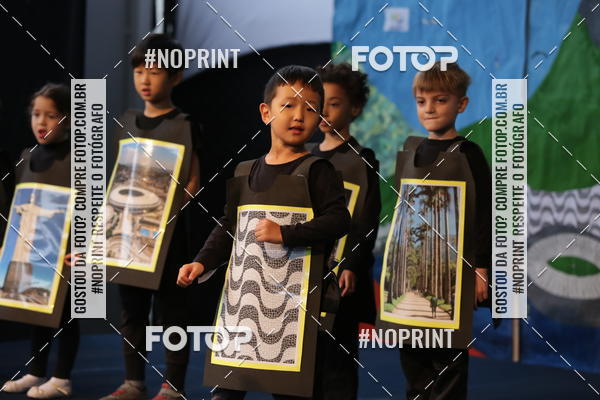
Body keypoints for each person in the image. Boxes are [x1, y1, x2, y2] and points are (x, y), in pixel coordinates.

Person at [177, 65, 351, 399]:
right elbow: (229, 225)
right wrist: (202, 262)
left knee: (291, 393)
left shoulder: (318, 170)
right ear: (266, 112)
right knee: (226, 391)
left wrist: (286, 233)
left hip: (293, 313)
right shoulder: (246, 171)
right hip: (243, 308)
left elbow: (339, 221)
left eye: (310, 108)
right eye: (288, 105)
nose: (298, 115)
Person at [100, 34, 201, 400]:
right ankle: (133, 381)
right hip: (128, 237)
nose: (145, 79)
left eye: (155, 72)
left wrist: (167, 211)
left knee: (173, 312)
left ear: (175, 77)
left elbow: (194, 181)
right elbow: (118, 179)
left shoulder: (186, 124)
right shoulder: (126, 122)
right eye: (139, 71)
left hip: (169, 238)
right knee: (132, 311)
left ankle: (172, 385)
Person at [391, 62, 491, 400]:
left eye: (440, 100)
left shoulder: (469, 153)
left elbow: (483, 214)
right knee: (413, 357)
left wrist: (481, 268)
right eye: (422, 101)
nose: (430, 109)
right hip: (411, 274)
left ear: (461, 104)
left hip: (452, 277)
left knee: (447, 360)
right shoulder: (412, 150)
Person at [309, 62, 381, 400]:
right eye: (318, 103)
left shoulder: (361, 159)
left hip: (342, 280)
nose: (323, 111)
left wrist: (351, 263)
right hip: (306, 276)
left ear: (354, 108)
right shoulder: (306, 157)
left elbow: (367, 218)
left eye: (334, 103)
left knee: (338, 361)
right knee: (306, 361)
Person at [2, 83, 78, 398]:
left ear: (68, 119)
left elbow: (93, 207)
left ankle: (61, 378)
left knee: (67, 315)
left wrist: (81, 248)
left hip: (68, 255)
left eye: (51, 115)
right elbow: (18, 205)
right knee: (37, 310)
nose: (41, 122)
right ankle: (36, 371)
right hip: (34, 252)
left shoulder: (78, 159)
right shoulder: (26, 157)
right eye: (36, 114)